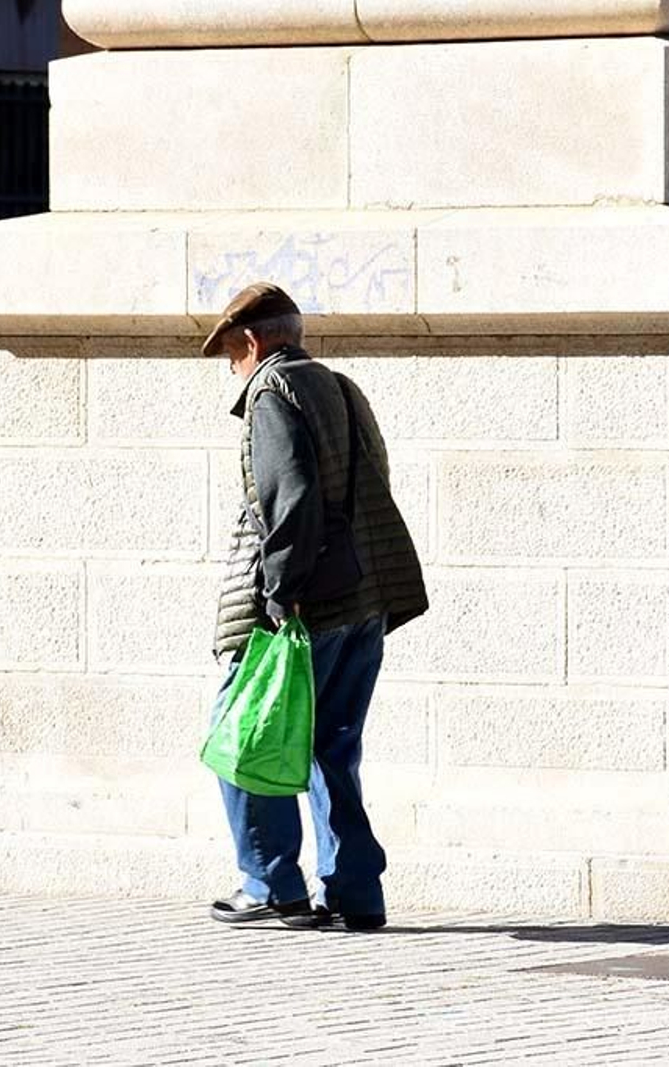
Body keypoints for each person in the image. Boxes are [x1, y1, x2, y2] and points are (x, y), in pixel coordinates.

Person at [203, 282, 428, 932]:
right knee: (334, 745)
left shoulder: (272, 394)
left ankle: (270, 882)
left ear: (251, 342)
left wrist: (280, 594)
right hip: (364, 597)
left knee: (242, 735)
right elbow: (371, 479)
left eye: (232, 356)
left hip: (305, 603)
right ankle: (355, 892)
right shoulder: (339, 387)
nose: (234, 370)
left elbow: (291, 497)